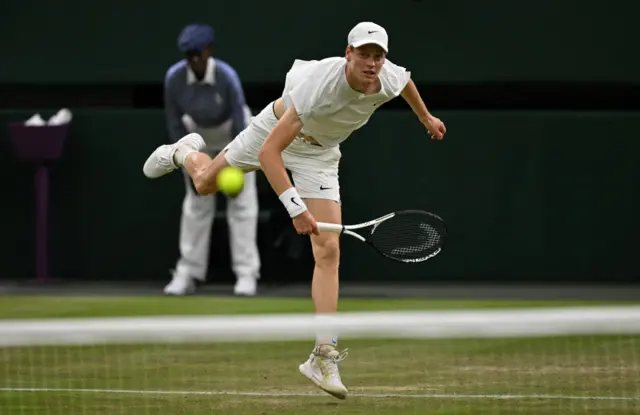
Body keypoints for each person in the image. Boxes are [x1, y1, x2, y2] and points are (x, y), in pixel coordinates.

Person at [143, 21, 446, 399]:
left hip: (318, 155)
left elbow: (405, 85)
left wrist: (426, 119)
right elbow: (271, 153)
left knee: (329, 248)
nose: (372, 63)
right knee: (204, 183)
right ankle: (183, 151)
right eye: (364, 54)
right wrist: (295, 208)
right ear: (347, 54)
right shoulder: (320, 87)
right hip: (272, 131)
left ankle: (323, 355)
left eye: (378, 56)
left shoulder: (387, 77)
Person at [162, 23, 261, 297]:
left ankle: (246, 274)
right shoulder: (174, 79)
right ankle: (188, 273)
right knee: (196, 204)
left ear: (208, 51)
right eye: (189, 55)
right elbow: (175, 125)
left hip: (236, 138)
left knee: (242, 205)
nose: (194, 60)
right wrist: (191, 160)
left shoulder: (227, 77)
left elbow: (242, 125)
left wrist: (237, 167)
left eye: (198, 53)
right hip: (197, 140)